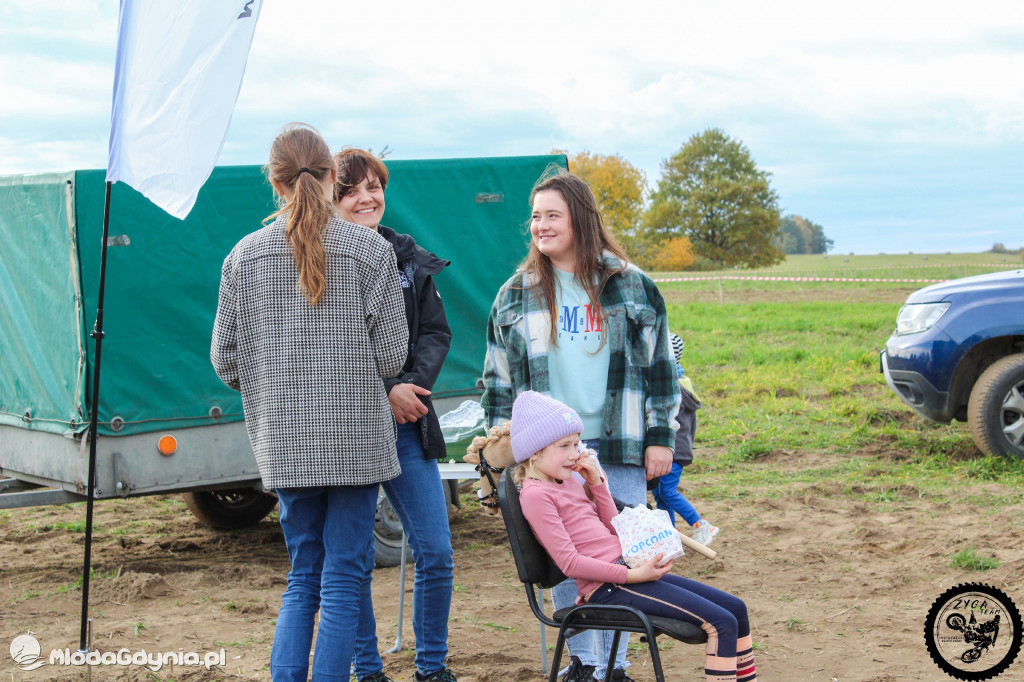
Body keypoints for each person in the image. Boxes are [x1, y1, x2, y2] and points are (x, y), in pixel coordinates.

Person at [211, 124, 409, 682]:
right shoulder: (370, 250)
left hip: (286, 445)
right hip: (356, 443)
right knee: (345, 576)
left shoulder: (243, 256)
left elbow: (225, 357)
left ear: (274, 181)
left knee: (304, 576)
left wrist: (275, 388)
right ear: (329, 177)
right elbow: (394, 356)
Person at [481, 166, 679, 682]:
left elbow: (662, 371)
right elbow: (498, 383)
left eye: (552, 215)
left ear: (581, 220)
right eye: (535, 216)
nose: (540, 225)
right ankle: (583, 662)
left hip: (623, 441)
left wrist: (662, 440)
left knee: (622, 550)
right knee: (568, 554)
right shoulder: (515, 294)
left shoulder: (633, 286)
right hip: (550, 452)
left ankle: (615, 664)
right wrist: (503, 446)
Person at [510, 391, 757, 682]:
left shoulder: (568, 480)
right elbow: (570, 563)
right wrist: (635, 576)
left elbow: (614, 527)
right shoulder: (537, 495)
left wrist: (597, 484)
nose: (575, 453)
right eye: (564, 446)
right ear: (535, 451)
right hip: (608, 587)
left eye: (576, 443)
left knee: (735, 609)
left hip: (626, 571)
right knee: (721, 623)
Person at [332, 148, 458, 682]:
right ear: (329, 199)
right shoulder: (322, 258)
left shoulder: (407, 257)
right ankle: (368, 670)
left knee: (436, 550)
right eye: (351, 190)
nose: (366, 198)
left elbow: (435, 331)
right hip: (349, 431)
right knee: (354, 559)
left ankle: (431, 668)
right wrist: (384, 388)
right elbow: (329, 346)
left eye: (373, 187)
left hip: (408, 425)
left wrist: (410, 387)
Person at [651, 333, 719, 546]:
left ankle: (700, 524)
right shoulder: (684, 384)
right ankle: (670, 534)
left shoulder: (672, 388)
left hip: (673, 449)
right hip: (679, 448)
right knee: (660, 493)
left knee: (666, 491)